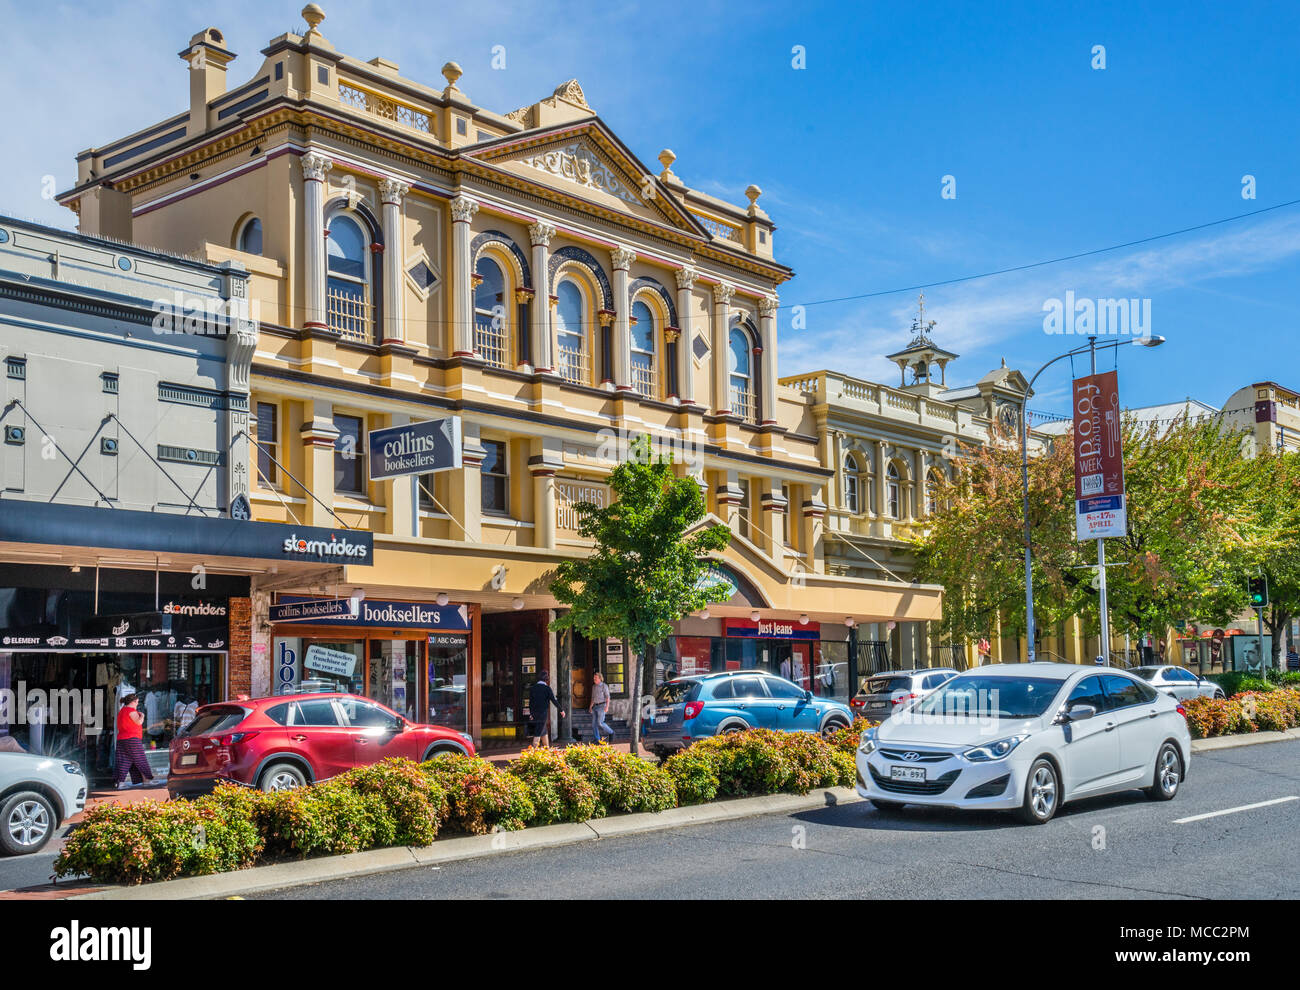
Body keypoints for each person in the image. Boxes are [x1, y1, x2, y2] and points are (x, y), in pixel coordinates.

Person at [114, 694, 155, 790]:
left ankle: (121, 783)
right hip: (132, 739)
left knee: (124, 760)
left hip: (121, 739)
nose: (137, 703)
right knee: (140, 759)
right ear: (133, 702)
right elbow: (139, 722)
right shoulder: (131, 711)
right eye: (137, 702)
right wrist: (143, 716)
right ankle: (147, 780)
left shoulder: (122, 711)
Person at [527, 671, 564, 748]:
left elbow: (530, 703)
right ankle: (533, 750)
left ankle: (546, 748)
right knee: (538, 730)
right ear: (546, 679)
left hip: (534, 713)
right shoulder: (547, 688)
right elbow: (554, 700)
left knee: (543, 730)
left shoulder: (533, 688)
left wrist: (531, 713)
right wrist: (561, 710)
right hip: (543, 713)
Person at [589, 671, 614, 744]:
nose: (594, 679)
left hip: (602, 706)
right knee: (594, 724)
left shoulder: (604, 686)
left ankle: (611, 732)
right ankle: (597, 739)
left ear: (600, 678)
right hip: (595, 707)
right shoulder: (594, 687)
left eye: (596, 677)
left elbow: (607, 697)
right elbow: (593, 698)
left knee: (600, 723)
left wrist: (607, 707)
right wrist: (590, 707)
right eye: (594, 677)